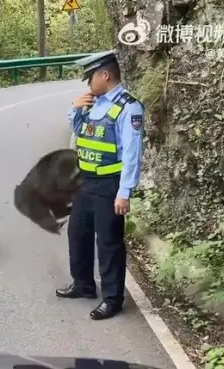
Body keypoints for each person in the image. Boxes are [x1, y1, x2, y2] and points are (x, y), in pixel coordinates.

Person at [55, 50, 145, 320]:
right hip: (85, 181)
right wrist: (76, 108)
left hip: (109, 184)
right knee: (78, 234)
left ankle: (112, 299)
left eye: (90, 77)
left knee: (108, 242)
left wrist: (124, 192)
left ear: (105, 75)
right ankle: (83, 285)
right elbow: (79, 131)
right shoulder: (93, 103)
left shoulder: (129, 107)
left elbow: (132, 152)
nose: (87, 83)